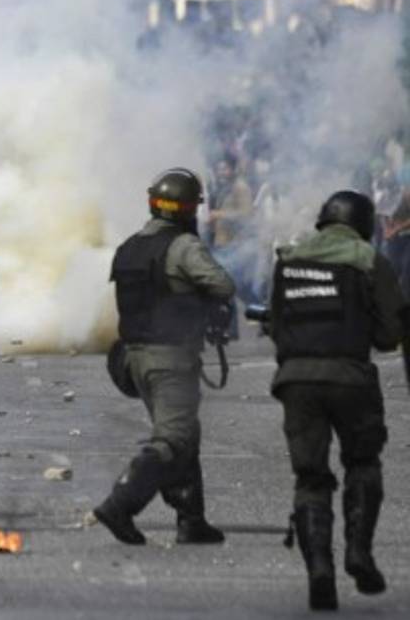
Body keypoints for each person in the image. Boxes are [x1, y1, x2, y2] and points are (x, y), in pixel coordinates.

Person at [266, 191, 404, 611]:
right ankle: (359, 553)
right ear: (361, 223)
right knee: (362, 464)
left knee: (310, 479)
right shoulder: (367, 259)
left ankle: (319, 571)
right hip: (350, 379)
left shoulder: (288, 258)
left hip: (296, 382)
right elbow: (387, 334)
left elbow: (274, 323)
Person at [93, 167, 235, 546]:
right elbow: (222, 284)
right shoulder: (183, 246)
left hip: (133, 358)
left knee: (184, 434)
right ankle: (120, 504)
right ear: (189, 208)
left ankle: (191, 519)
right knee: (173, 439)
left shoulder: (130, 246)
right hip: (169, 357)